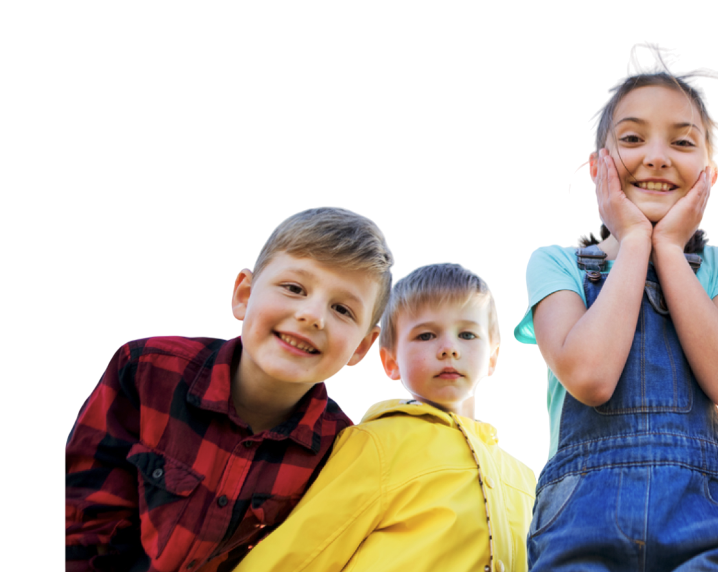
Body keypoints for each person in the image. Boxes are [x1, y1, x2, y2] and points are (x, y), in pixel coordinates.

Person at [514, 42, 718, 570]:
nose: (656, 156)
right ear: (596, 166)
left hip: (704, 511)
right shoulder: (555, 264)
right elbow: (590, 375)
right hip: (581, 515)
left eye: (681, 142)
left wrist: (670, 248)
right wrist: (634, 239)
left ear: (709, 172)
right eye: (632, 138)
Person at [65, 206, 393, 572]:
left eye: (342, 309)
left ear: (363, 347)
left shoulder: (341, 452)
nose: (313, 315)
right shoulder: (146, 369)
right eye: (294, 288)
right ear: (244, 294)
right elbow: (82, 515)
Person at [234, 262, 536, 571]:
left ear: (492, 357)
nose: (449, 349)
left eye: (468, 334)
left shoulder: (526, 479)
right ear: (390, 361)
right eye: (426, 335)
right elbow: (300, 552)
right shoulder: (376, 444)